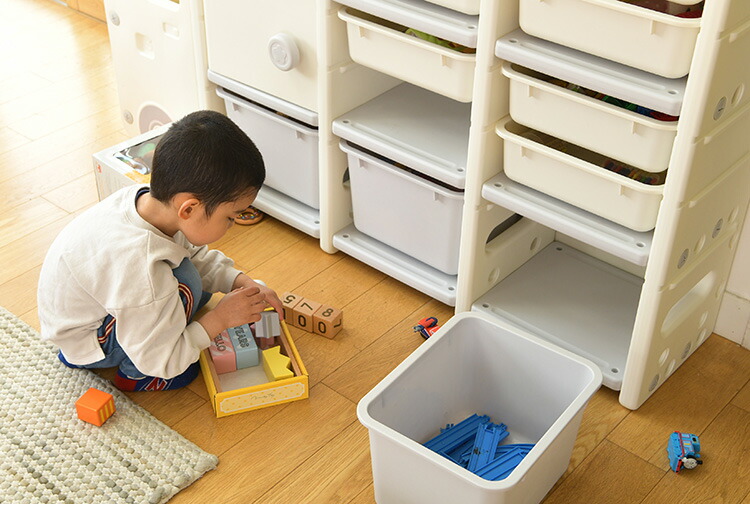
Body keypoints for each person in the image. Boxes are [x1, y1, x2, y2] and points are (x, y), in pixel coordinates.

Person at [37, 110, 283, 392]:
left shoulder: (149, 202)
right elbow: (161, 360)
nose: (233, 225)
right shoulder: (140, 266)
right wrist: (219, 319)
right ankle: (135, 376)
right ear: (189, 208)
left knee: (189, 274)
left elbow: (194, 253)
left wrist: (241, 281)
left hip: (90, 310)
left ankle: (162, 331)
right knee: (189, 284)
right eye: (230, 217)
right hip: (91, 344)